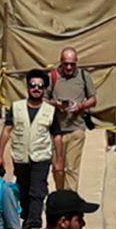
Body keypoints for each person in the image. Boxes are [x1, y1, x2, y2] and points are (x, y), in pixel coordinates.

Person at [0, 69, 58, 225]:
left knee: (37, 190)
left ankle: (34, 222)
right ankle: (26, 216)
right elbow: (6, 130)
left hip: (41, 156)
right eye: (33, 85)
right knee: (23, 190)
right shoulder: (16, 107)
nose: (36, 89)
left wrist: (59, 160)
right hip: (21, 157)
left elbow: (57, 136)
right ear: (28, 87)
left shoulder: (50, 111)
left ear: (45, 89)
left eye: (40, 86)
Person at [49, 48, 98, 188]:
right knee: (58, 169)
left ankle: (70, 201)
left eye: (72, 64)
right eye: (66, 64)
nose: (69, 67)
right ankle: (60, 196)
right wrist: (56, 104)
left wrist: (80, 106)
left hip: (76, 129)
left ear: (76, 62)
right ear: (61, 62)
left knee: (72, 169)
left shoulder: (83, 76)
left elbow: (93, 99)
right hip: (56, 131)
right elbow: (43, 99)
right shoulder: (53, 77)